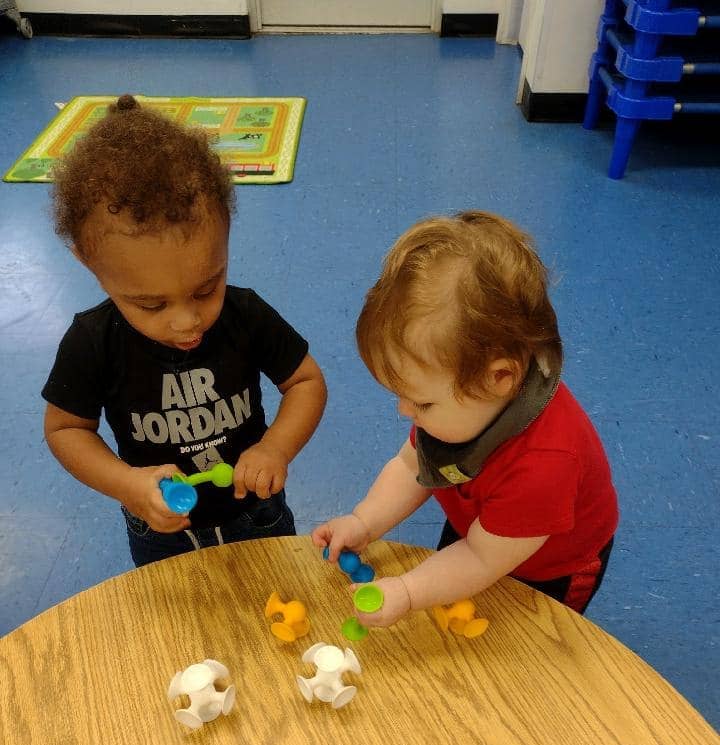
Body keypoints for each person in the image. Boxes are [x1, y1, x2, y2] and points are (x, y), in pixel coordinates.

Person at [42, 94, 327, 567]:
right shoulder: (92, 342)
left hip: (256, 511)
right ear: (89, 264)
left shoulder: (246, 313)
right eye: (151, 304)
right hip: (160, 529)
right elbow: (66, 429)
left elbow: (306, 381)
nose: (187, 321)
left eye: (206, 288)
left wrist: (275, 447)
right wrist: (127, 484)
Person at [312, 211, 618, 626]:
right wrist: (363, 521)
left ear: (500, 378)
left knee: (522, 640)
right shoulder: (464, 403)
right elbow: (410, 466)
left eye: (421, 403)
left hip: (550, 568)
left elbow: (480, 557)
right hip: (481, 529)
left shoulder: (545, 464)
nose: (405, 412)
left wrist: (408, 591)